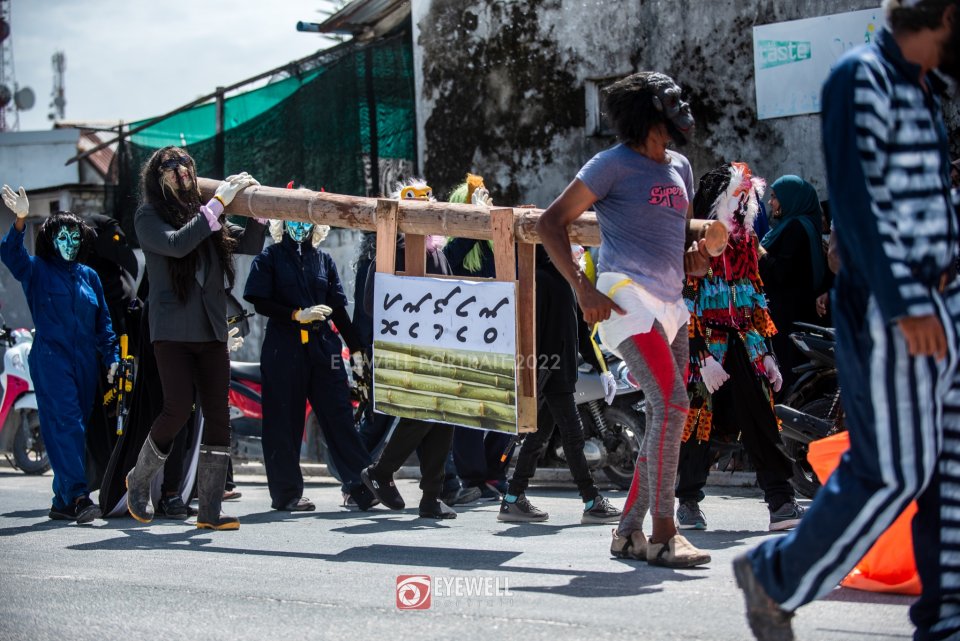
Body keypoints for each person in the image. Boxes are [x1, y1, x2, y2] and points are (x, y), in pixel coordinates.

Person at [734, 2, 960, 640]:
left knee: (948, 468)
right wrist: (906, 301)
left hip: (937, 306)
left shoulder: (922, 91)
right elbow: (856, 206)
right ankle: (776, 578)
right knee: (891, 469)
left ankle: (946, 619)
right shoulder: (861, 79)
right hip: (894, 310)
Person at [536, 71, 711, 567]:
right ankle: (663, 534)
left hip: (672, 303)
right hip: (622, 295)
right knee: (673, 404)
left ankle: (626, 532)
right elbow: (552, 222)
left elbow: (676, 246)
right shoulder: (610, 164)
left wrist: (696, 260)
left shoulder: (681, 167)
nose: (682, 106)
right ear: (648, 111)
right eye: (670, 99)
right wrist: (582, 288)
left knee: (665, 413)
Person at [125, 146, 265, 531]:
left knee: (219, 415)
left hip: (210, 329)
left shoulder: (205, 215)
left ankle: (210, 512)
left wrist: (259, 211)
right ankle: (138, 481)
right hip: (171, 331)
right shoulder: (148, 215)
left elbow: (250, 244)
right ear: (157, 177)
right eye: (170, 166)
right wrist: (217, 203)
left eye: (185, 163)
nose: (180, 170)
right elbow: (176, 244)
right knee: (177, 408)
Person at [675, 162, 802, 533]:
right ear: (717, 201)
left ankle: (780, 500)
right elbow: (683, 307)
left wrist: (767, 355)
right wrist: (700, 359)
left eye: (749, 199)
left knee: (763, 417)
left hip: (745, 343)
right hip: (705, 345)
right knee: (697, 423)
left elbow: (757, 301)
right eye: (737, 197)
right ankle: (687, 501)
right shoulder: (693, 245)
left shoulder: (749, 246)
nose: (744, 205)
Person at [1, 186, 118, 524]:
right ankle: (80, 496)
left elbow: (103, 322)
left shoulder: (89, 277)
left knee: (74, 428)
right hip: (51, 358)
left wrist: (110, 356)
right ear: (51, 240)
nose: (70, 242)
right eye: (62, 236)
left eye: (75, 236)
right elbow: (11, 256)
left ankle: (62, 501)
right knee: (65, 422)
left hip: (84, 362)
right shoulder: (36, 270)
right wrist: (21, 220)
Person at [244, 215, 377, 512]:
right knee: (283, 421)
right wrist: (295, 315)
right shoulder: (270, 257)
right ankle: (287, 494)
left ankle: (361, 487)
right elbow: (258, 300)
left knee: (340, 416)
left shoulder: (324, 261)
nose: (300, 227)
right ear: (283, 224)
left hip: (322, 347)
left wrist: (357, 353)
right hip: (284, 347)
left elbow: (339, 312)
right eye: (294, 220)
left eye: (306, 221)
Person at [497, 243, 622, 524]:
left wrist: (602, 368)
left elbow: (580, 328)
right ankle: (591, 501)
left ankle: (513, 498)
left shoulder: (563, 279)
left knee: (538, 437)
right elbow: (531, 333)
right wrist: (535, 377)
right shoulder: (540, 279)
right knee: (574, 436)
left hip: (560, 372)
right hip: (549, 373)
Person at [757, 175, 827, 395]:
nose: (771, 202)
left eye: (776, 197)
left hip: (789, 313)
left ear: (791, 199)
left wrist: (759, 252)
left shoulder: (795, 228)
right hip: (794, 309)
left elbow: (781, 272)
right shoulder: (797, 225)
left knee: (787, 368)